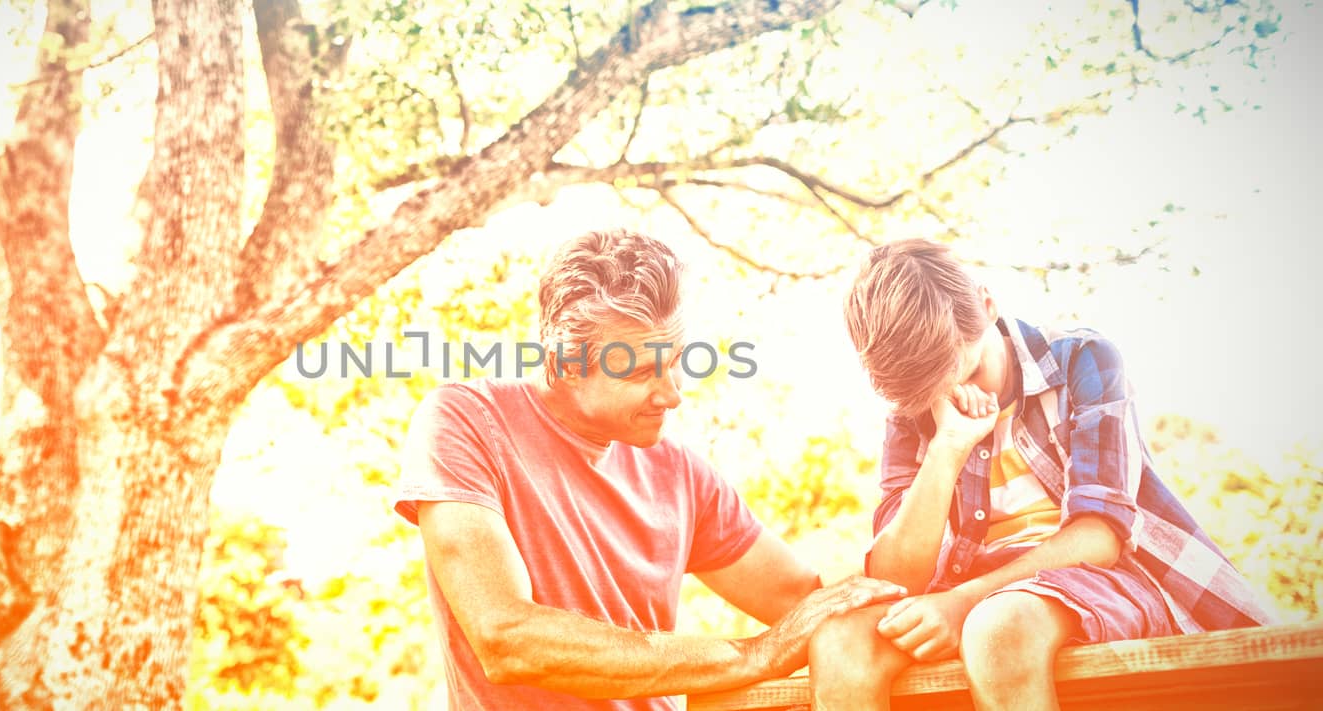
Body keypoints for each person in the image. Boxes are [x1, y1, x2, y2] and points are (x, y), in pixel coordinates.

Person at [393, 229, 905, 709]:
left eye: (676, 360)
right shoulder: (464, 423)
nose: (673, 394)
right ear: (565, 364)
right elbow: (506, 638)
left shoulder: (682, 476)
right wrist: (755, 654)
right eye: (641, 373)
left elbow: (811, 607)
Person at [813, 238, 1275, 710]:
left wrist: (965, 601)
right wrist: (947, 448)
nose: (956, 397)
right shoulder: (914, 413)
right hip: (959, 597)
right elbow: (897, 579)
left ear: (987, 305)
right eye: (933, 393)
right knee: (839, 643)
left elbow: (1100, 537)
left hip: (1096, 580)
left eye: (968, 373)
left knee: (998, 628)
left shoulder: (1082, 360)